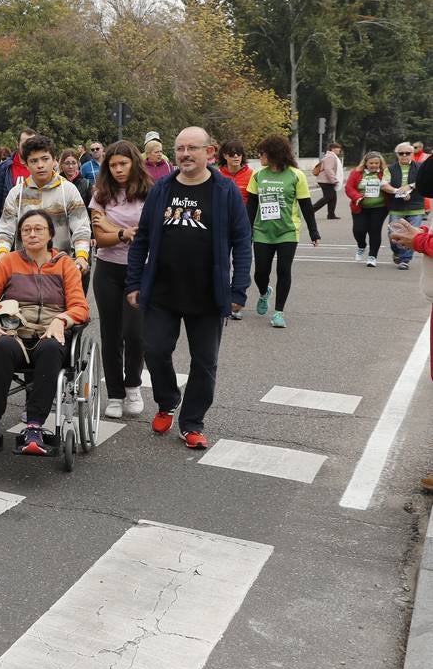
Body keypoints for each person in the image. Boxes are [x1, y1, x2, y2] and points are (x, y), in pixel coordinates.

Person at [126, 127, 251, 450]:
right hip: (162, 291)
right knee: (153, 349)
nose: (184, 154)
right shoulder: (162, 189)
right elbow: (141, 239)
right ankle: (167, 399)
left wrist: (238, 290)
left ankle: (192, 422)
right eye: (180, 148)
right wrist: (135, 281)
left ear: (209, 152)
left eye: (192, 148)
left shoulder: (224, 191)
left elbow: (242, 241)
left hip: (208, 294)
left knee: (205, 362)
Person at [0, 209, 90, 454]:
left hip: (50, 335)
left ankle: (34, 425)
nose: (32, 234)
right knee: (2, 345)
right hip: (15, 334)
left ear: (50, 234)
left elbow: (80, 307)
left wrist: (62, 319)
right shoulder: (7, 262)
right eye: (26, 230)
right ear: (20, 236)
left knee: (52, 347)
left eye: (38, 229)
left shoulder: (65, 264)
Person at [88, 141, 151, 419]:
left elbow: (149, 233)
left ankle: (133, 385)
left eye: (123, 164)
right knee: (110, 334)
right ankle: (114, 393)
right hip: (107, 269)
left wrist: (114, 228)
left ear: (134, 163)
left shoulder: (151, 193)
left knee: (134, 332)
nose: (118, 169)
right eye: (112, 165)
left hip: (140, 270)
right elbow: (100, 238)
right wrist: (125, 234)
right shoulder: (101, 194)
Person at [247, 135, 321, 327]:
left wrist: (314, 232)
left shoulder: (296, 175)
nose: (259, 156)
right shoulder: (257, 174)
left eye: (261, 153)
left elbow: (306, 205)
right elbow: (251, 206)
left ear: (273, 153)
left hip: (288, 231)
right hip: (262, 230)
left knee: (283, 270)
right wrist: (246, 232)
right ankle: (264, 293)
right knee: (260, 272)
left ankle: (278, 313)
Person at [0, 135, 92, 271]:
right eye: (34, 161)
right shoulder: (16, 193)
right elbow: (5, 231)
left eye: (45, 159)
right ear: (26, 165)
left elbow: (81, 227)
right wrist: (2, 254)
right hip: (24, 270)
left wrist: (81, 256)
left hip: (60, 268)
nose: (40, 165)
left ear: (54, 161)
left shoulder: (68, 190)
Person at [0, 128, 35, 241]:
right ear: (17, 144)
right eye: (25, 143)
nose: (28, 147)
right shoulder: (5, 168)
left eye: (31, 143)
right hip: (10, 227)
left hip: (35, 228)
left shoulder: (40, 166)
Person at [346, 152, 394, 267]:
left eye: (376, 163)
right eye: (371, 163)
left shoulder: (385, 173)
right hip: (360, 207)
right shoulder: (356, 173)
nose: (374, 165)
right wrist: (357, 197)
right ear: (366, 163)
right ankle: (361, 246)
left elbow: (391, 186)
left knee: (374, 231)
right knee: (359, 230)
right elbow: (349, 187)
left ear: (380, 163)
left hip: (380, 208)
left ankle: (372, 256)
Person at [388, 141, 424, 269]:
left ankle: (405, 260)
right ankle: (397, 252)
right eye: (401, 153)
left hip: (416, 206)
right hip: (396, 207)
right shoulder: (390, 168)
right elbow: (384, 184)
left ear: (412, 154)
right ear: (397, 154)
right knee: (393, 233)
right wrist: (399, 191)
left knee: (412, 234)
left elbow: (424, 181)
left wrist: (409, 186)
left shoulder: (420, 167)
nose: (404, 155)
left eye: (407, 153)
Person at [313, 141, 344, 220]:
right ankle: (310, 210)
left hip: (327, 180)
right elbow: (328, 169)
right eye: (337, 148)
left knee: (333, 198)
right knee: (328, 197)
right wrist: (334, 180)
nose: (339, 150)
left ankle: (331, 215)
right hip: (325, 181)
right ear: (332, 149)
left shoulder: (332, 156)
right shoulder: (330, 157)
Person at [218, 139, 253, 204]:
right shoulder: (217, 175)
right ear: (225, 156)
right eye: (232, 154)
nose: (236, 156)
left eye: (239, 153)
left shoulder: (252, 175)